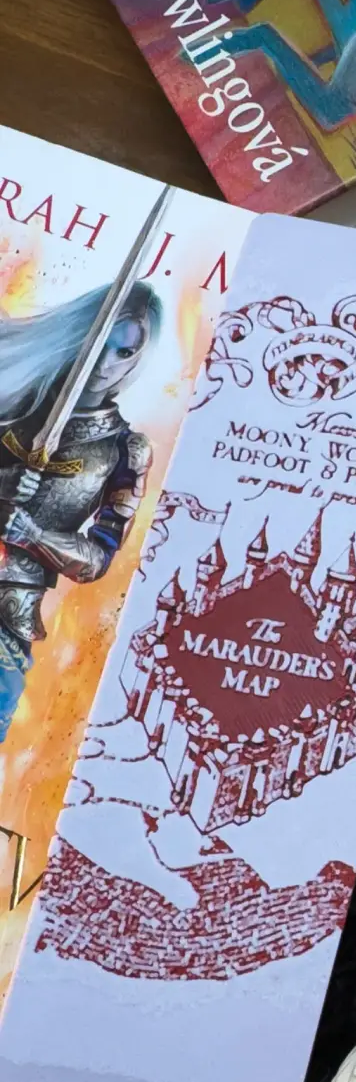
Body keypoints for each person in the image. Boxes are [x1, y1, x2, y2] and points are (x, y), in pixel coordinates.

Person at [0, 281, 161, 740]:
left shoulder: (125, 451)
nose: (104, 365)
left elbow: (97, 560)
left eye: (124, 353)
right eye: (99, 343)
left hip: (10, 608)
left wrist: (31, 534)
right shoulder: (14, 395)